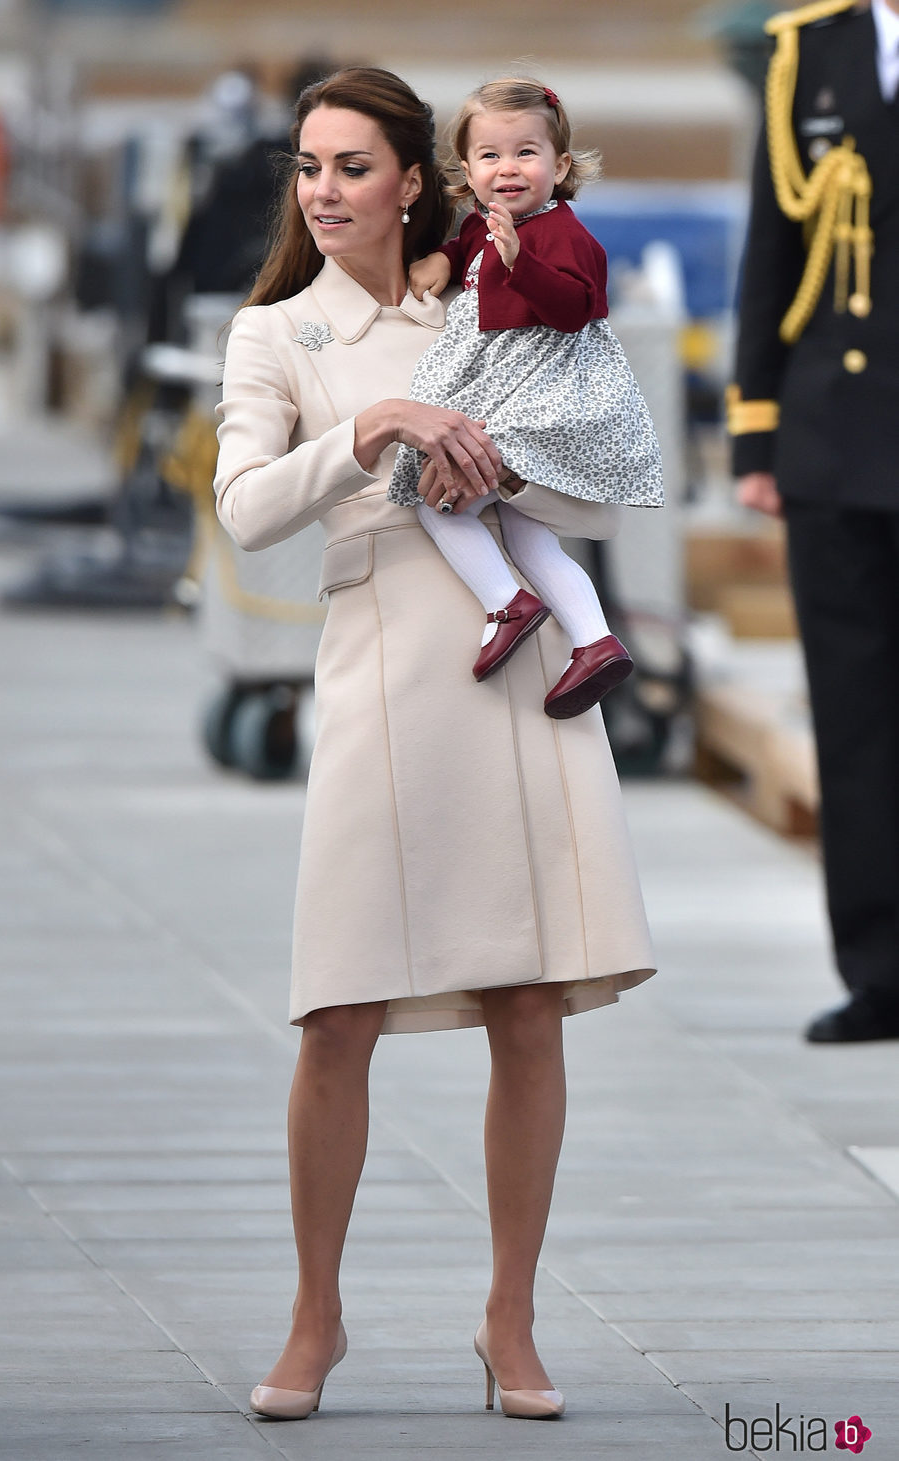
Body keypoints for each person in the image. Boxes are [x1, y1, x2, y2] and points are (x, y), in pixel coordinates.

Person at [213, 66, 655, 1421]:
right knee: (336, 1009)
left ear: (419, 180)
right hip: (378, 676)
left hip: (521, 674)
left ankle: (510, 1322)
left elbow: (606, 493)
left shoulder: (498, 289)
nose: (325, 192)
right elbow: (244, 513)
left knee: (528, 1004)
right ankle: (315, 1319)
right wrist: (374, 427)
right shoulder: (274, 332)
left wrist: (505, 471)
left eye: (353, 167)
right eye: (307, 167)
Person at [729, 0, 899, 1043]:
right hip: (834, 438)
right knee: (855, 718)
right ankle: (881, 972)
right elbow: (772, 250)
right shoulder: (806, 50)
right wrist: (753, 436)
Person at [388, 78, 662, 718]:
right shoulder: (488, 226)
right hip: (514, 389)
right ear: (468, 171)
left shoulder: (563, 234)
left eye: (526, 153)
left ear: (560, 166)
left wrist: (520, 263)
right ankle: (594, 641)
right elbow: (468, 252)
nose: (507, 169)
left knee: (440, 500)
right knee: (527, 531)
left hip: (541, 394)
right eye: (490, 156)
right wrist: (445, 261)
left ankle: (506, 603)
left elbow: (576, 308)